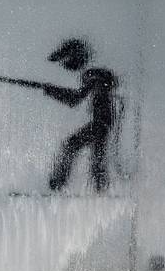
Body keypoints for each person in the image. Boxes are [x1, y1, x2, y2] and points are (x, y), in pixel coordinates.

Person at [42, 38, 118, 192]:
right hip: (104, 122)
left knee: (71, 146)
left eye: (69, 60)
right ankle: (101, 192)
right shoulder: (97, 73)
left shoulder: (94, 74)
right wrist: (51, 90)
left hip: (100, 123)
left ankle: (57, 186)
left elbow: (74, 99)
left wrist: (51, 90)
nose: (69, 67)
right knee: (97, 159)